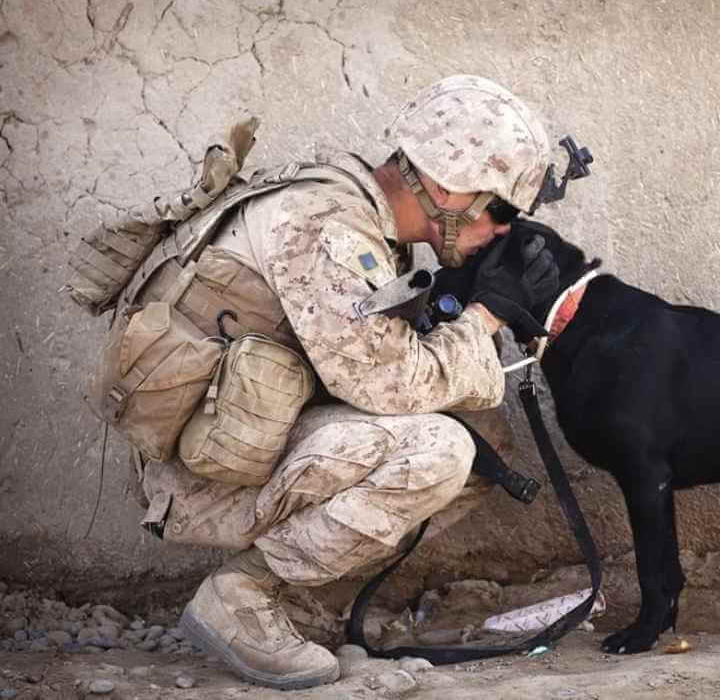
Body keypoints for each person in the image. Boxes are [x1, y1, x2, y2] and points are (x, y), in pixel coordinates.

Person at [134, 75, 560, 689]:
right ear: (444, 186)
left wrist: (460, 302)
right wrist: (486, 314)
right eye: (499, 212)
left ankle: (285, 589)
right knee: (442, 452)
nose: (501, 231)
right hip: (197, 474)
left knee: (482, 442)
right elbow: (391, 383)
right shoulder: (326, 227)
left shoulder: (355, 208)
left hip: (236, 433)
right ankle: (244, 596)